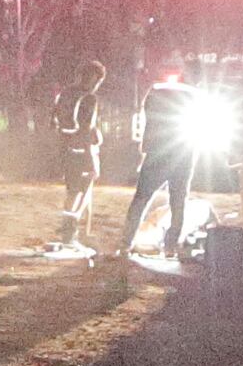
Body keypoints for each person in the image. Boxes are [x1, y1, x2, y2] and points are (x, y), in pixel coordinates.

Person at [120, 73, 203, 259]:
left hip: (158, 153)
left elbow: (148, 120)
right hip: (183, 155)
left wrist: (146, 147)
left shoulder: (157, 91)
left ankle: (126, 243)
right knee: (178, 201)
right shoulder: (194, 95)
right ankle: (171, 246)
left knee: (141, 199)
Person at [48, 59, 108, 248]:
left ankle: (75, 232)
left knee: (73, 191)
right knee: (81, 193)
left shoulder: (65, 94)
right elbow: (86, 129)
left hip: (65, 147)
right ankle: (70, 232)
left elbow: (53, 122)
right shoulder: (89, 98)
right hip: (82, 151)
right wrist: (92, 160)